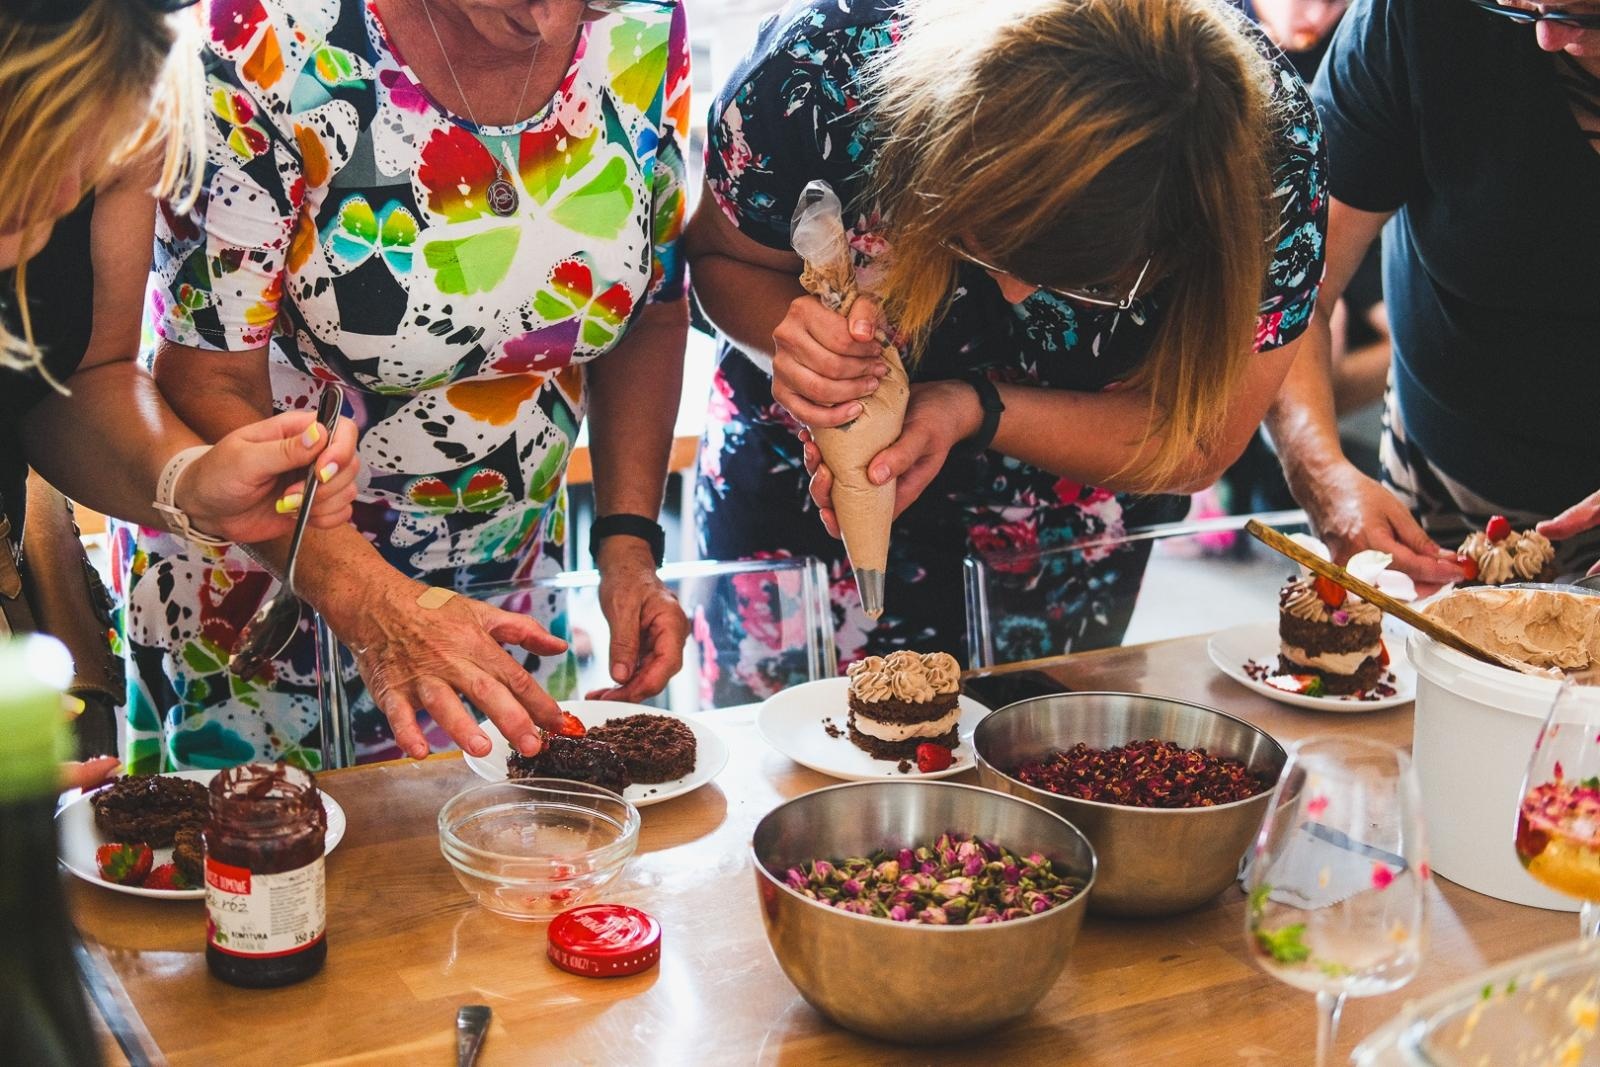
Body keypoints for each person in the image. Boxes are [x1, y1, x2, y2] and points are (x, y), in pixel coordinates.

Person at [686, 0, 1328, 696]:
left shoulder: (1269, 159)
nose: (1017, 295)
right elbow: (722, 262)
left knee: (1009, 776)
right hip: (800, 508)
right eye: (979, 245)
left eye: (1087, 283)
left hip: (1057, 551)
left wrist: (975, 409)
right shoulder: (823, 67)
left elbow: (1199, 437)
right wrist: (804, 341)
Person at [117, 0, 692, 770]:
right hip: (275, 599)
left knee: (513, 873)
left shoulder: (644, 29)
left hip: (507, 590)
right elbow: (204, 374)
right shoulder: (259, 41)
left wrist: (628, 544)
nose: (558, 23)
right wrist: (375, 601)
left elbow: (648, 310)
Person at [0, 0, 362, 783]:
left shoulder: (126, 101)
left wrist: (189, 482)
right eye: (24, 152)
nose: (65, 195)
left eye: (90, 167)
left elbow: (81, 379)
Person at [1265, 0, 1600, 584]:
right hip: (1440, 492)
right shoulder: (1419, 18)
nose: (1547, 37)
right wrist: (1317, 469)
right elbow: (1288, 291)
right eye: (1523, 8)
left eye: (1588, 15)